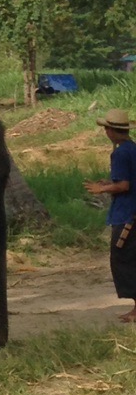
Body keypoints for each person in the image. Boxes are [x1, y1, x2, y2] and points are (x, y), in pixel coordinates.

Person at [84, 109, 136, 322]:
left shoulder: (120, 153)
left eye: (106, 128)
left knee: (123, 260)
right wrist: (109, 183)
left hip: (126, 215)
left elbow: (124, 185)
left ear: (111, 131)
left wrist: (101, 190)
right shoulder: (133, 149)